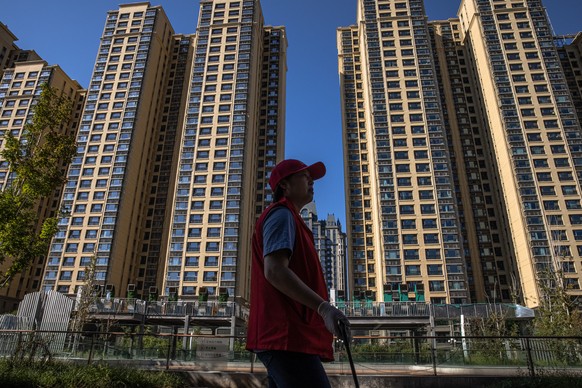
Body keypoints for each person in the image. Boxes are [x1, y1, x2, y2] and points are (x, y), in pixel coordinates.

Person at [246, 159, 351, 388]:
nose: (311, 180)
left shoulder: (292, 220)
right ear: (285, 185)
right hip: (285, 336)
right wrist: (324, 308)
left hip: (288, 336)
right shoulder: (281, 215)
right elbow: (274, 271)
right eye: (304, 175)